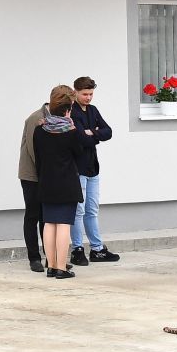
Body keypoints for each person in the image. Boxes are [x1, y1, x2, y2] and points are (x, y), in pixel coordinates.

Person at [32, 85, 85, 279]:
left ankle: (51, 266)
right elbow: (79, 154)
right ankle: (62, 268)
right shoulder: (71, 132)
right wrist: (74, 128)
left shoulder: (40, 130)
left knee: (49, 224)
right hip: (67, 184)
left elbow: (38, 158)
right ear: (68, 108)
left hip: (46, 182)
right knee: (63, 225)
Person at [68, 76, 119, 265]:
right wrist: (94, 134)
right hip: (78, 168)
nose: (88, 97)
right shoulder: (72, 112)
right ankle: (77, 249)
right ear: (75, 92)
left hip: (93, 167)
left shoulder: (93, 110)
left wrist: (93, 133)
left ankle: (97, 249)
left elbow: (108, 131)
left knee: (92, 210)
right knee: (78, 211)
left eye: (91, 94)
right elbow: (81, 138)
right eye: (85, 94)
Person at [17, 98, 48, 272]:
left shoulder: (59, 118)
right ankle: (34, 258)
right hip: (31, 175)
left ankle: (51, 258)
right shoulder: (35, 118)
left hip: (46, 174)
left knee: (47, 217)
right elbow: (32, 148)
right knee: (33, 214)